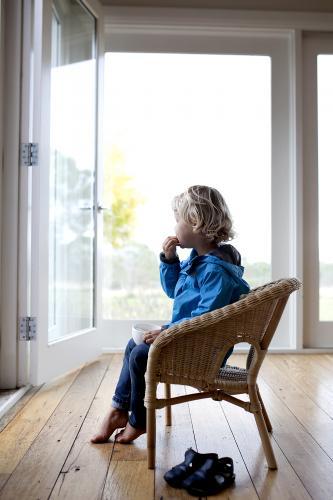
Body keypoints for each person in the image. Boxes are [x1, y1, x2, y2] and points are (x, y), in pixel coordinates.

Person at [91, 185, 250, 445]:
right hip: (187, 337)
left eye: (178, 220)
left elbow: (205, 318)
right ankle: (119, 410)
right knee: (134, 344)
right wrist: (169, 260)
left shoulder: (215, 271)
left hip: (203, 349)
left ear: (196, 222)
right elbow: (173, 292)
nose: (174, 226)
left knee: (142, 354)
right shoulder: (197, 260)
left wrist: (167, 332)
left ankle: (138, 420)